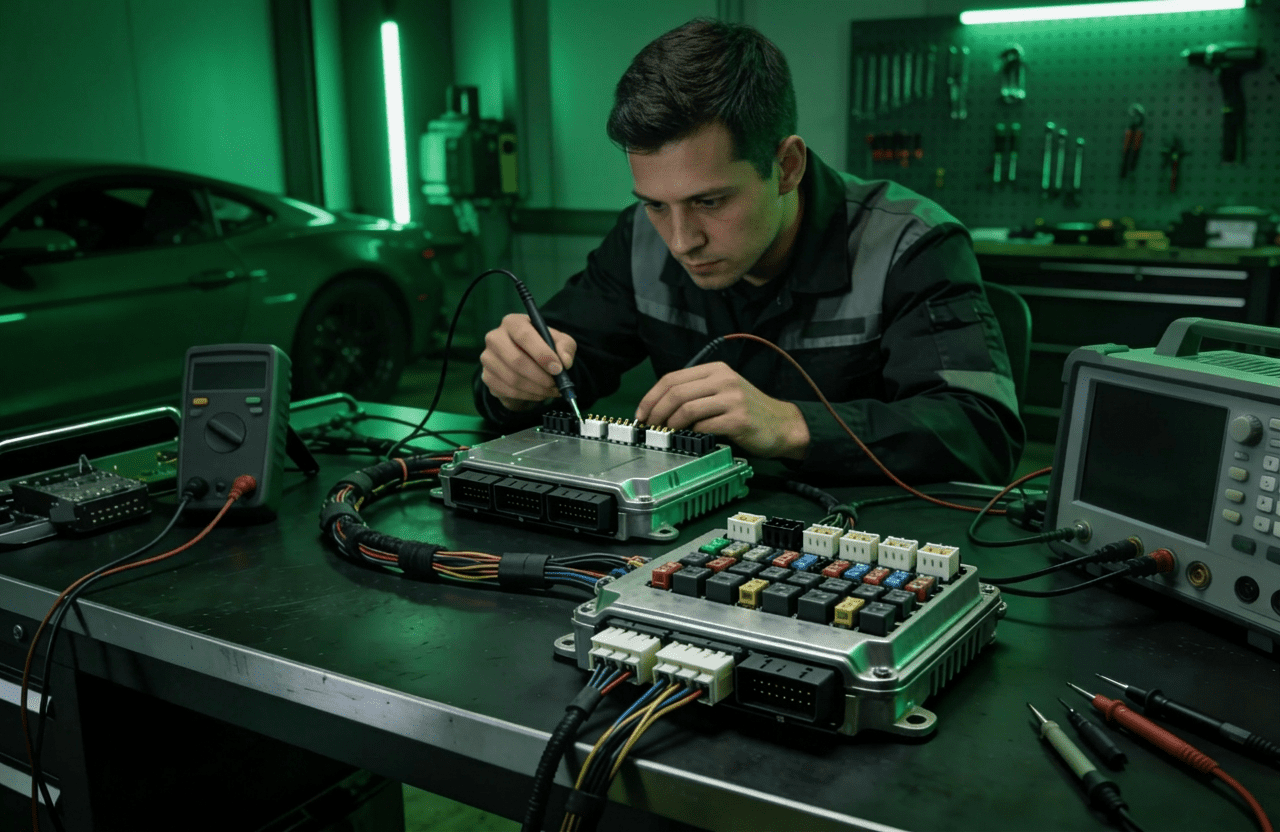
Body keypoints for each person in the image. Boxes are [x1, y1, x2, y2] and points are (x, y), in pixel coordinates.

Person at [474, 18, 1023, 485]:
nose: (682, 240)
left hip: (863, 560)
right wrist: (513, 385)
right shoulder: (640, 238)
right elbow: (556, 367)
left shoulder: (910, 243)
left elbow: (981, 433)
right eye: (657, 205)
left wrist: (790, 425)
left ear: (786, 167)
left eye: (709, 201)